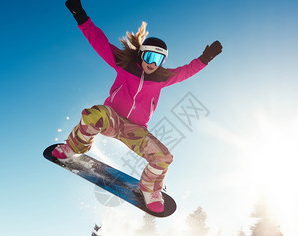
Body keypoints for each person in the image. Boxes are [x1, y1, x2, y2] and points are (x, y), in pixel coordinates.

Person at [54, 0, 222, 213]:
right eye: (150, 56)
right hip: (112, 119)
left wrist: (204, 59)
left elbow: (185, 71)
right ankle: (73, 148)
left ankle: (150, 189)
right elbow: (98, 41)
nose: (153, 63)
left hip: (135, 131)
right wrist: (81, 16)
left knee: (164, 158)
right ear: (142, 54)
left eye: (159, 59)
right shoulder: (124, 64)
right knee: (94, 114)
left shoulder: (161, 78)